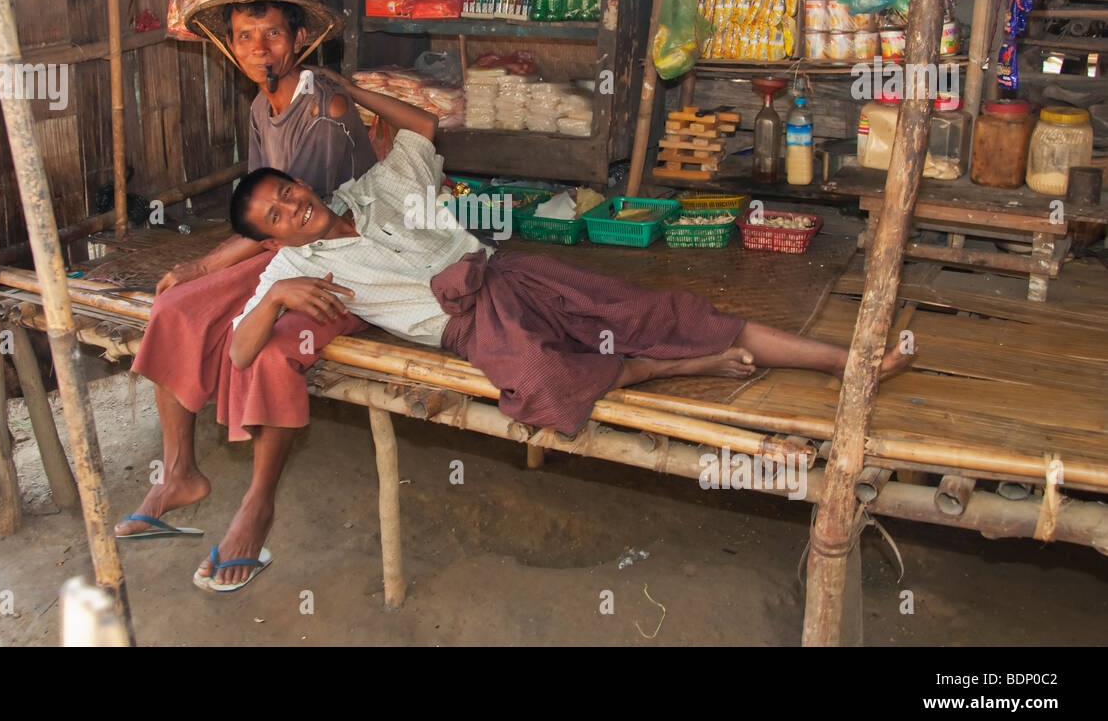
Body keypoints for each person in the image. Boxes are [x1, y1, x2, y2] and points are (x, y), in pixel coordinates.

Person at [227, 114, 913, 582]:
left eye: (289, 192)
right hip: (468, 327)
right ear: (270, 239)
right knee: (545, 389)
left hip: (509, 273)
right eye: (276, 216)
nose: (293, 207)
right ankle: (691, 365)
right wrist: (279, 299)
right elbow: (238, 352)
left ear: (302, 183)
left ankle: (846, 360)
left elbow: (424, 126)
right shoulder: (289, 269)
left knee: (652, 309)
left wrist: (348, 86)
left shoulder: (375, 188)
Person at [119, 0, 435, 592]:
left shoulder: (326, 106)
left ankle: (257, 507)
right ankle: (180, 472)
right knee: (175, 312)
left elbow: (295, 215)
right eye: (244, 37)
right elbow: (265, 216)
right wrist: (200, 274)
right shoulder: (261, 106)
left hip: (343, 253)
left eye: (271, 34)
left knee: (266, 348)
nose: (258, 48)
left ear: (297, 41)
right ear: (231, 47)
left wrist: (205, 265)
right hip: (284, 248)